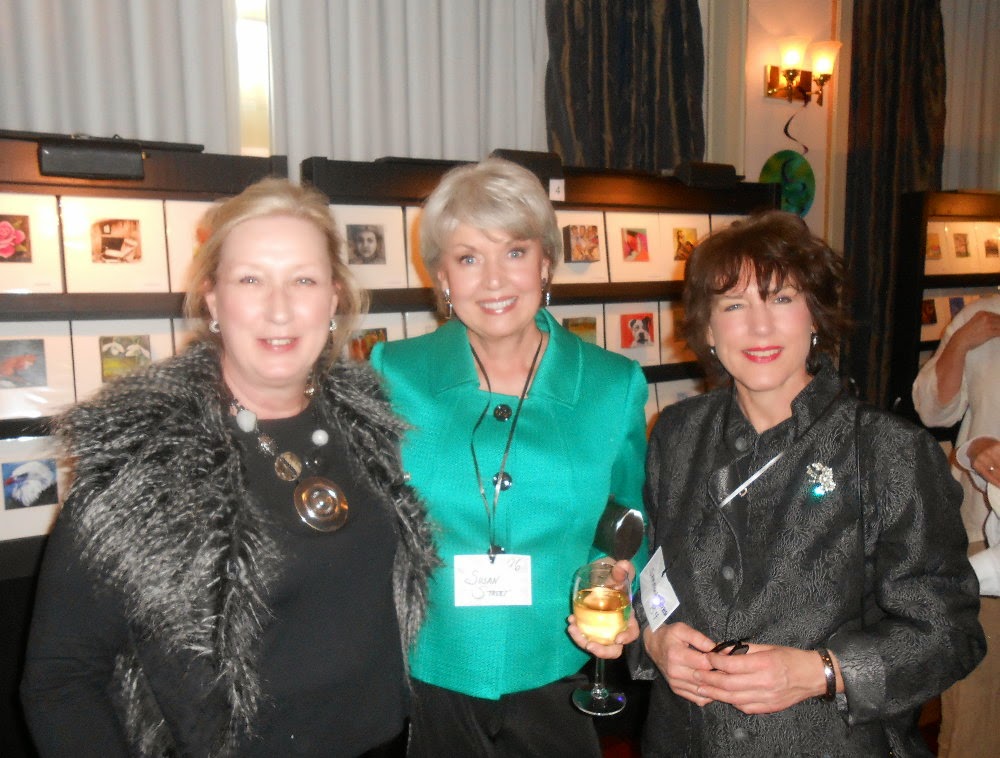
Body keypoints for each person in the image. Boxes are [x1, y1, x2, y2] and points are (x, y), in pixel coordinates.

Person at [20, 178, 438, 757]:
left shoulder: (375, 425)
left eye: (303, 280)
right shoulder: (143, 460)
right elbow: (60, 679)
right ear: (213, 300)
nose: (279, 308)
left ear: (334, 298)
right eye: (250, 280)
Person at [635, 210, 985, 756]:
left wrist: (821, 671)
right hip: (685, 739)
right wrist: (653, 639)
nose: (759, 327)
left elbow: (950, 632)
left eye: (781, 299)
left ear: (815, 315)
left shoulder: (887, 450)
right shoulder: (676, 434)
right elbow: (649, 573)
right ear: (707, 329)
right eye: (734, 305)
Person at [369, 157, 647, 757]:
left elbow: (629, 517)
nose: (494, 281)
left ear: (545, 262)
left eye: (514, 252)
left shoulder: (612, 384)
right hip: (429, 669)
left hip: (560, 668)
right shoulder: (394, 374)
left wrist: (618, 584)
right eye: (469, 258)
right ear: (442, 277)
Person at [912, 292, 1000, 758]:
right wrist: (962, 342)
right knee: (975, 696)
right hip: (984, 531)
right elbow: (933, 411)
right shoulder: (982, 316)